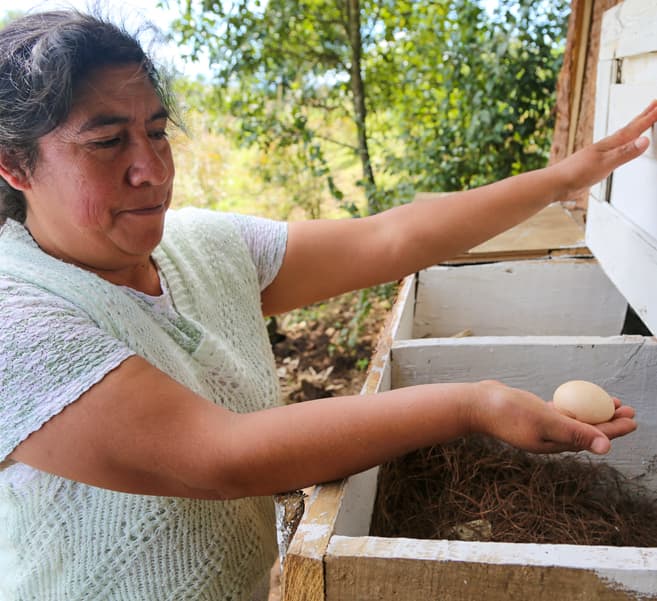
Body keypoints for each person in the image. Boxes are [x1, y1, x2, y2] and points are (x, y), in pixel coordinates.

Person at [0, 9, 649, 601]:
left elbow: (389, 236)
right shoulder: (18, 313)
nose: (152, 169)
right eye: (108, 141)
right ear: (15, 166)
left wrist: (565, 177)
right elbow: (221, 456)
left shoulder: (200, 245)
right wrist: (471, 403)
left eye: (158, 131)